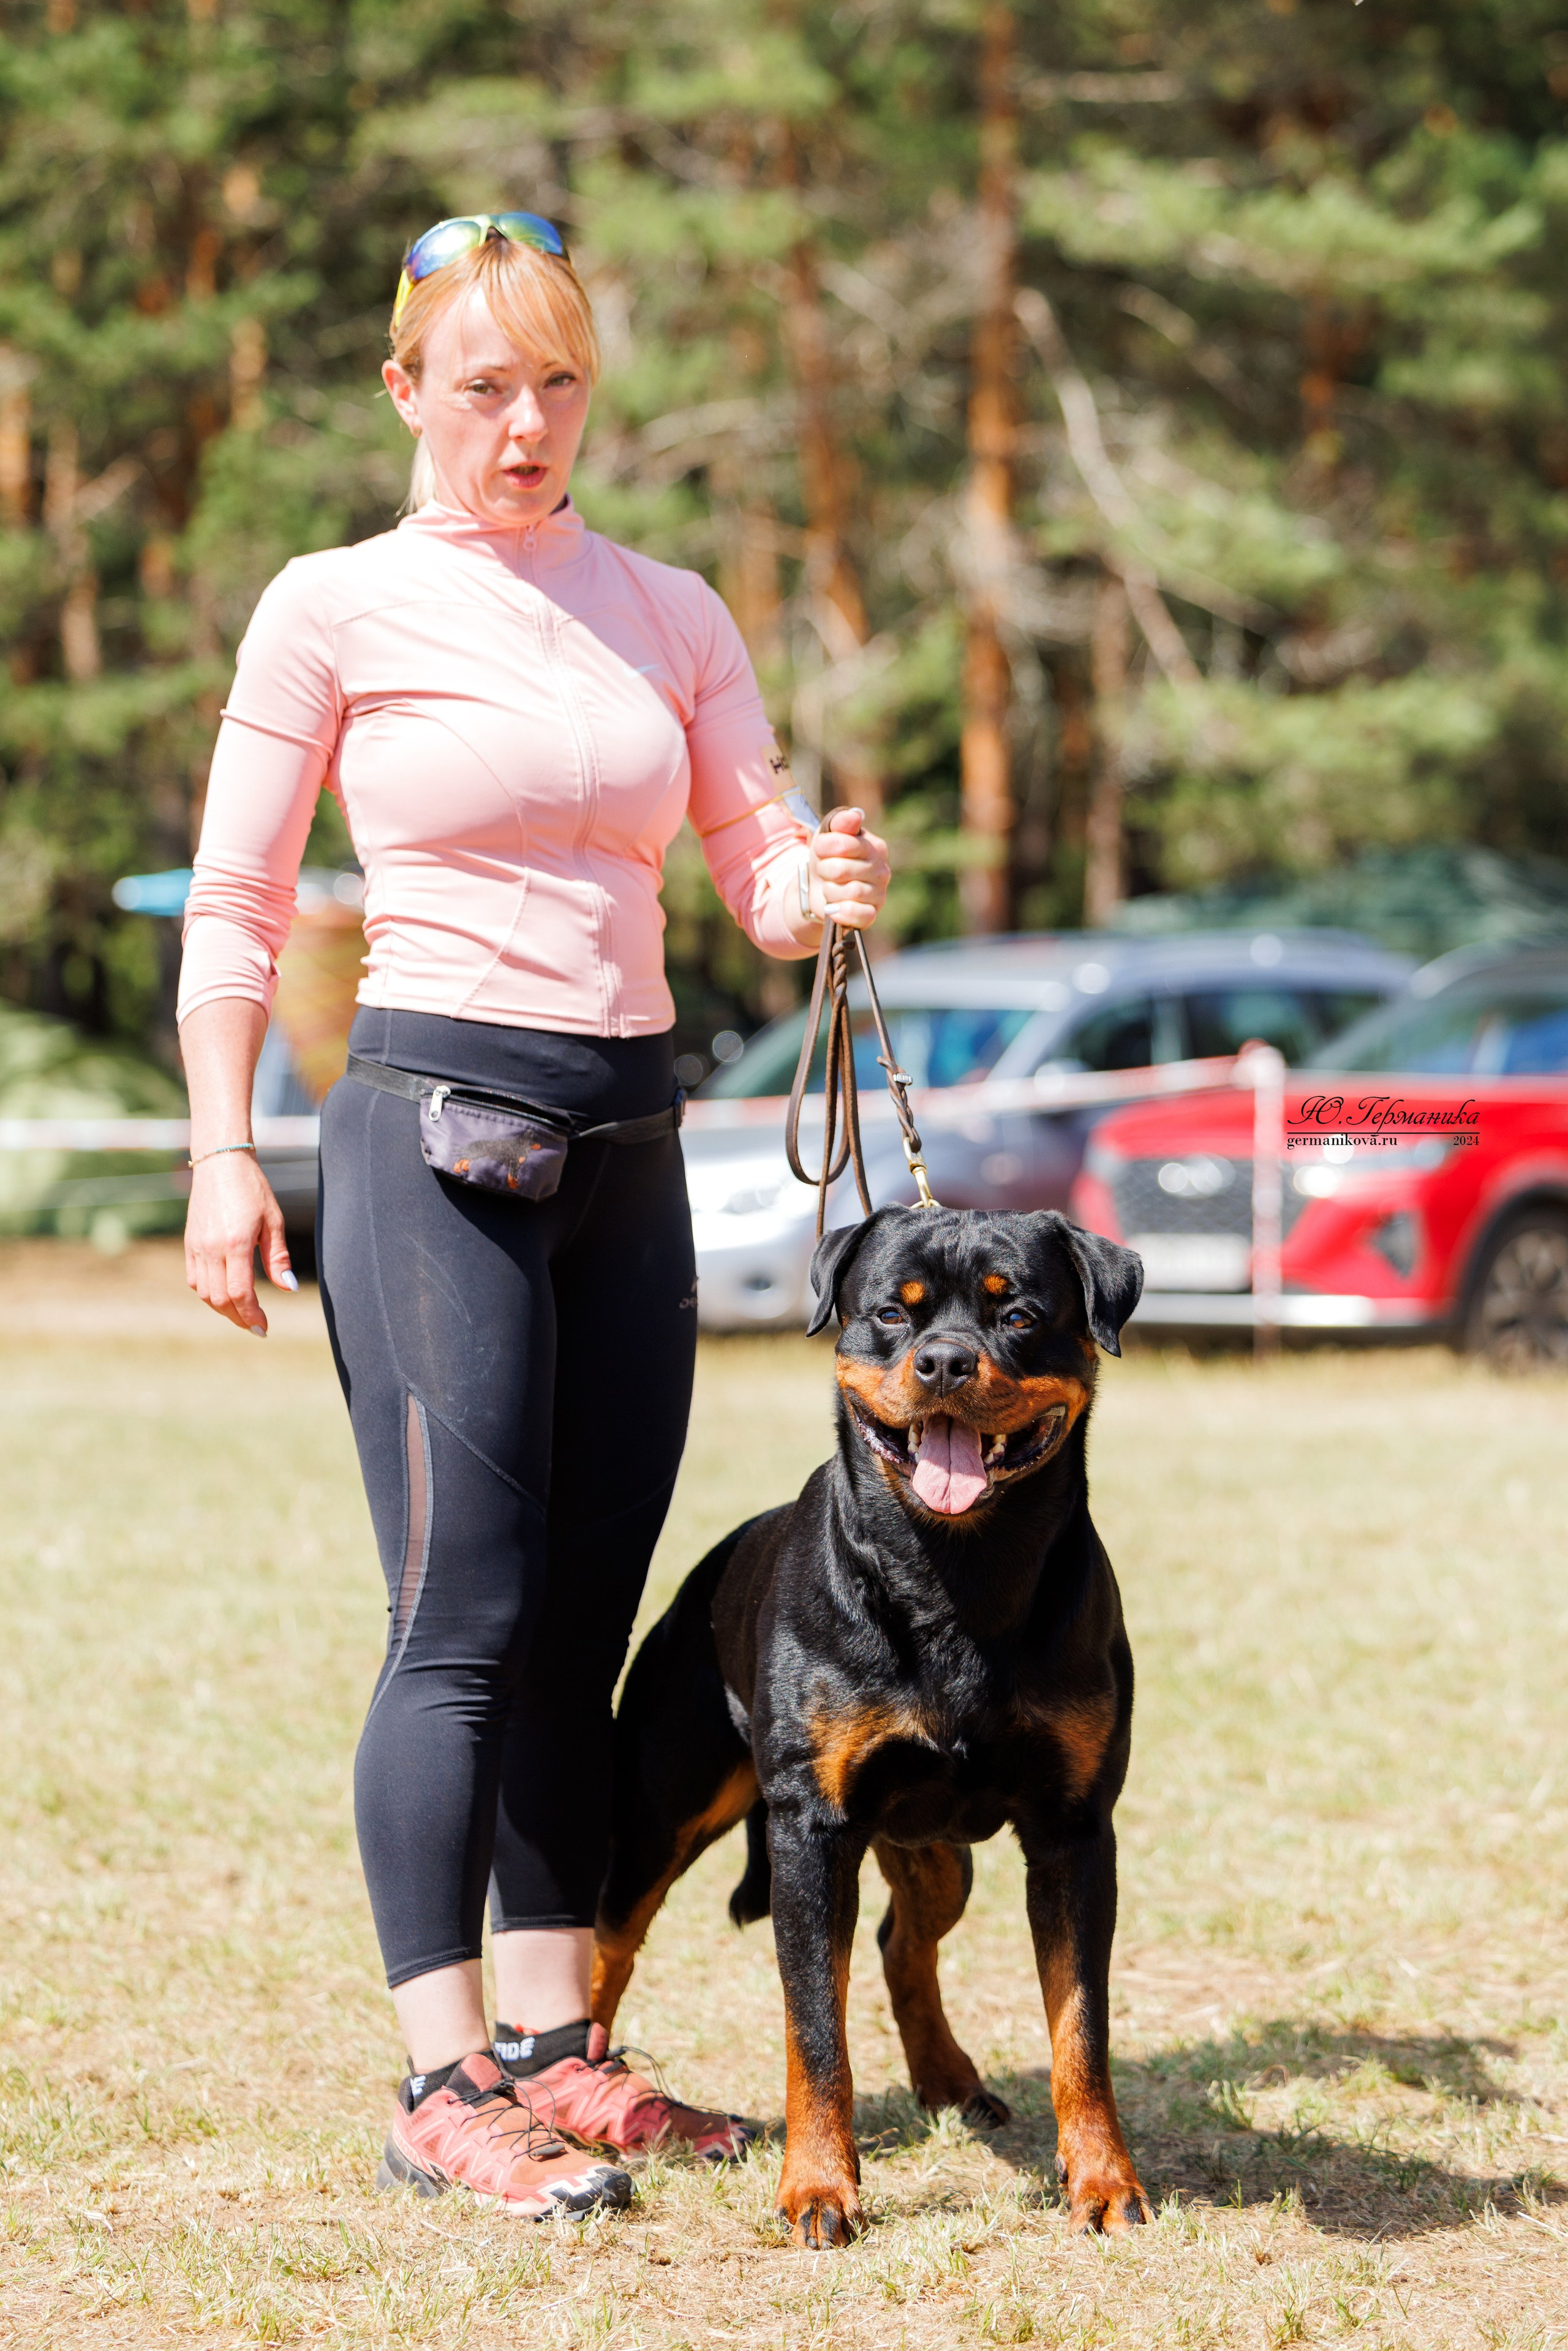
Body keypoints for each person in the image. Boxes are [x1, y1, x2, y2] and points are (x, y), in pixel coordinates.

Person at [178, 211, 889, 2218]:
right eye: (483, 386)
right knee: (461, 1620)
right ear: (407, 389)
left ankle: (567, 2052)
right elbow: (237, 903)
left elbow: (751, 869)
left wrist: (819, 889)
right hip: (430, 1135)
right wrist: (226, 1149)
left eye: (557, 382)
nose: (526, 424)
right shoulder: (332, 606)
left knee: (583, 1623)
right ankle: (440, 2082)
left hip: (631, 1137)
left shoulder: (666, 606)